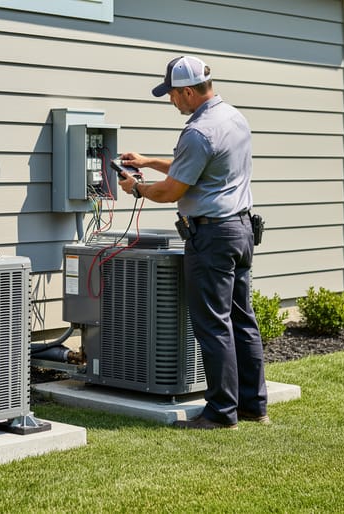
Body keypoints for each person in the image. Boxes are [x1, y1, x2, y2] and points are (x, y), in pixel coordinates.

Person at [118, 55, 269, 430]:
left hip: (212, 236)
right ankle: (253, 405)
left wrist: (136, 187)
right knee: (241, 320)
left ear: (187, 91)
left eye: (171, 93)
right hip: (241, 231)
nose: (170, 100)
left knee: (214, 325)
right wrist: (148, 162)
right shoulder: (234, 118)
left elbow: (172, 191)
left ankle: (220, 413)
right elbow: (199, 168)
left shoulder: (198, 132)